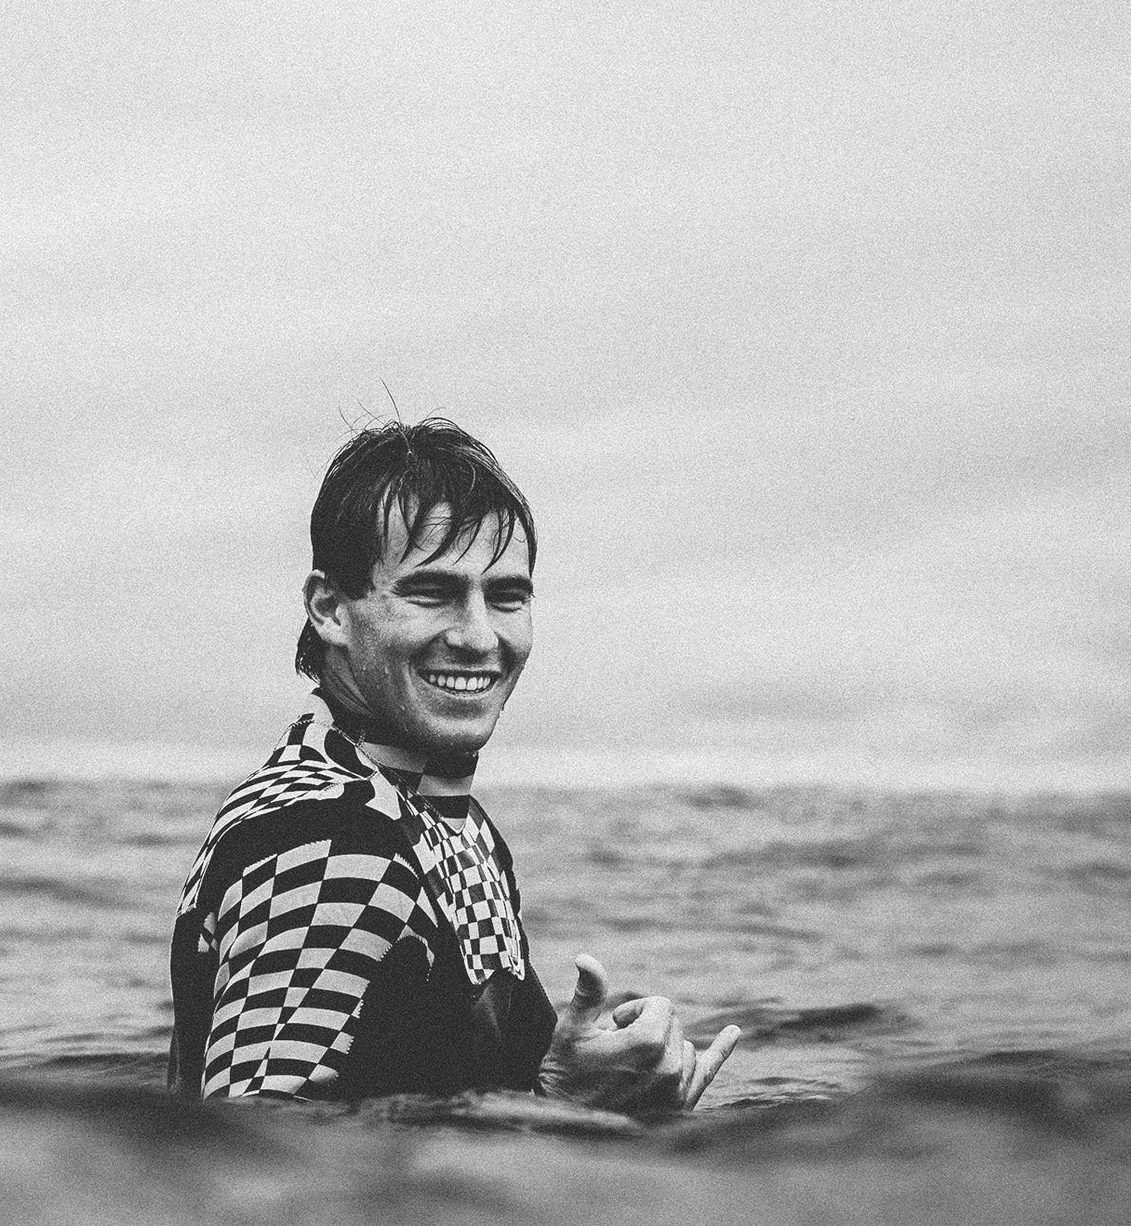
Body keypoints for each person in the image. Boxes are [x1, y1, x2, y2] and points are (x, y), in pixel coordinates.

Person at [167, 419, 739, 1111]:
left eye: (507, 597)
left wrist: (603, 1086)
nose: (478, 635)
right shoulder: (329, 837)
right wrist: (571, 1107)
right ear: (330, 609)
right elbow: (251, 1151)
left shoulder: (444, 821)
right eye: (432, 593)